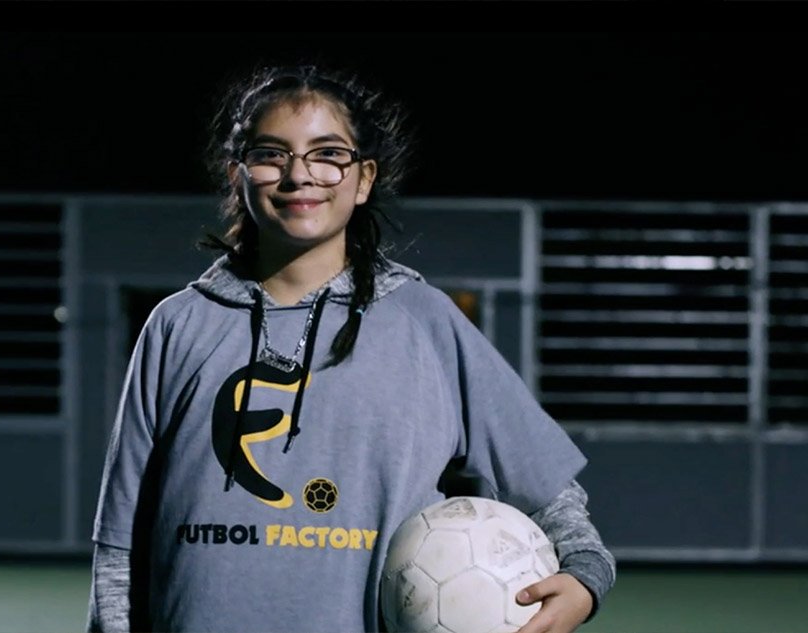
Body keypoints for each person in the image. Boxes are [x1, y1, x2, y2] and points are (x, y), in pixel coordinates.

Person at [87, 65, 615, 633]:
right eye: (272, 154)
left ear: (363, 179)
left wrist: (585, 574)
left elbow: (548, 489)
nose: (299, 175)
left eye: (327, 154)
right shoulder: (178, 325)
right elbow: (121, 544)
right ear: (239, 174)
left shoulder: (424, 320)